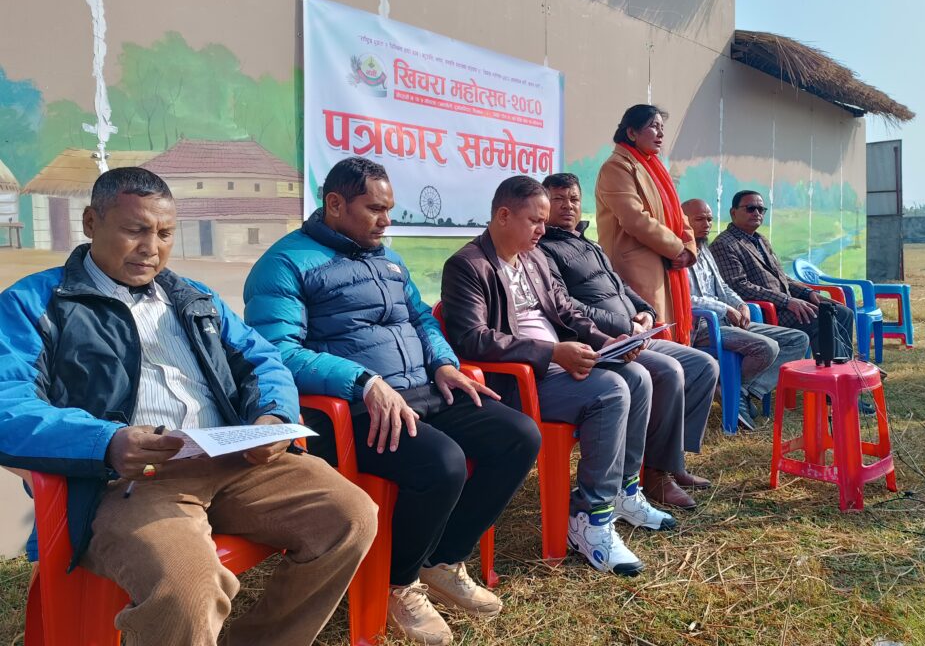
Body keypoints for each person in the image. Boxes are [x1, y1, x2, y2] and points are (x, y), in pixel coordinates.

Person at [0, 168, 376, 646]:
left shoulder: (194, 298)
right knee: (186, 590)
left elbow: (264, 360)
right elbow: (7, 402)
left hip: (232, 458)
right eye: (134, 230)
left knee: (350, 516)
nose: (150, 248)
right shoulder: (36, 303)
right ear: (91, 222)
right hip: (127, 480)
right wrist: (106, 442)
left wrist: (273, 416)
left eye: (164, 234)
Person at [244, 157, 540, 646]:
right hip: (354, 410)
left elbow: (421, 318)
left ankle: (442, 559)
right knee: (442, 462)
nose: (386, 221)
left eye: (390, 209)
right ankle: (397, 584)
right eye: (375, 209)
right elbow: (278, 351)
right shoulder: (285, 264)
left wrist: (444, 362)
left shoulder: (388, 259)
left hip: (422, 389)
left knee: (518, 435)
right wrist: (362, 381)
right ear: (335, 204)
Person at [442, 176, 676, 578]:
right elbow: (472, 338)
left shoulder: (533, 257)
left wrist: (607, 341)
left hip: (556, 367)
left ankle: (622, 490)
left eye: (543, 221)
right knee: (611, 389)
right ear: (503, 216)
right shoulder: (468, 265)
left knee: (637, 376)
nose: (542, 229)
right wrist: (550, 352)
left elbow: (566, 311)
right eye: (534, 220)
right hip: (518, 382)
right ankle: (589, 518)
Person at [538, 172, 717, 508]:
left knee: (703, 365)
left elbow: (620, 287)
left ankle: (670, 460)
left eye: (573, 199)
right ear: (543, 205)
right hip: (601, 341)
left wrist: (645, 311)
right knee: (668, 371)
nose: (567, 206)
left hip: (633, 332)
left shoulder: (589, 243)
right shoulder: (543, 250)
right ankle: (653, 476)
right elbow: (567, 307)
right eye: (558, 199)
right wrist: (625, 325)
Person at [681, 198, 809, 428]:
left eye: (709, 219)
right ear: (682, 220)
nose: (707, 224)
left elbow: (722, 286)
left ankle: (738, 389)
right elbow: (685, 298)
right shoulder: (677, 254)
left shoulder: (705, 249)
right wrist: (725, 308)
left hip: (726, 321)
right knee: (766, 347)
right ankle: (732, 389)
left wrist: (741, 305)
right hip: (702, 326)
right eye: (699, 219)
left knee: (798, 339)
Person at [709, 190, 856, 361]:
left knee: (843, 312)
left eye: (760, 209)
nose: (756, 213)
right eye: (750, 208)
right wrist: (787, 301)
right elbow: (739, 287)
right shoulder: (724, 244)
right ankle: (829, 371)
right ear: (733, 212)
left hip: (786, 305)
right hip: (767, 311)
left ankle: (844, 366)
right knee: (823, 319)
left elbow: (781, 277)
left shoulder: (760, 239)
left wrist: (808, 293)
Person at [594, 104, 697, 340]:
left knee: (672, 337)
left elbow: (678, 214)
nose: (660, 134)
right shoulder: (616, 166)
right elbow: (635, 219)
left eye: (662, 128)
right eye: (653, 126)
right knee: (653, 336)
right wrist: (676, 249)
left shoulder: (654, 167)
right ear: (632, 133)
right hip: (637, 267)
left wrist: (688, 247)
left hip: (665, 261)